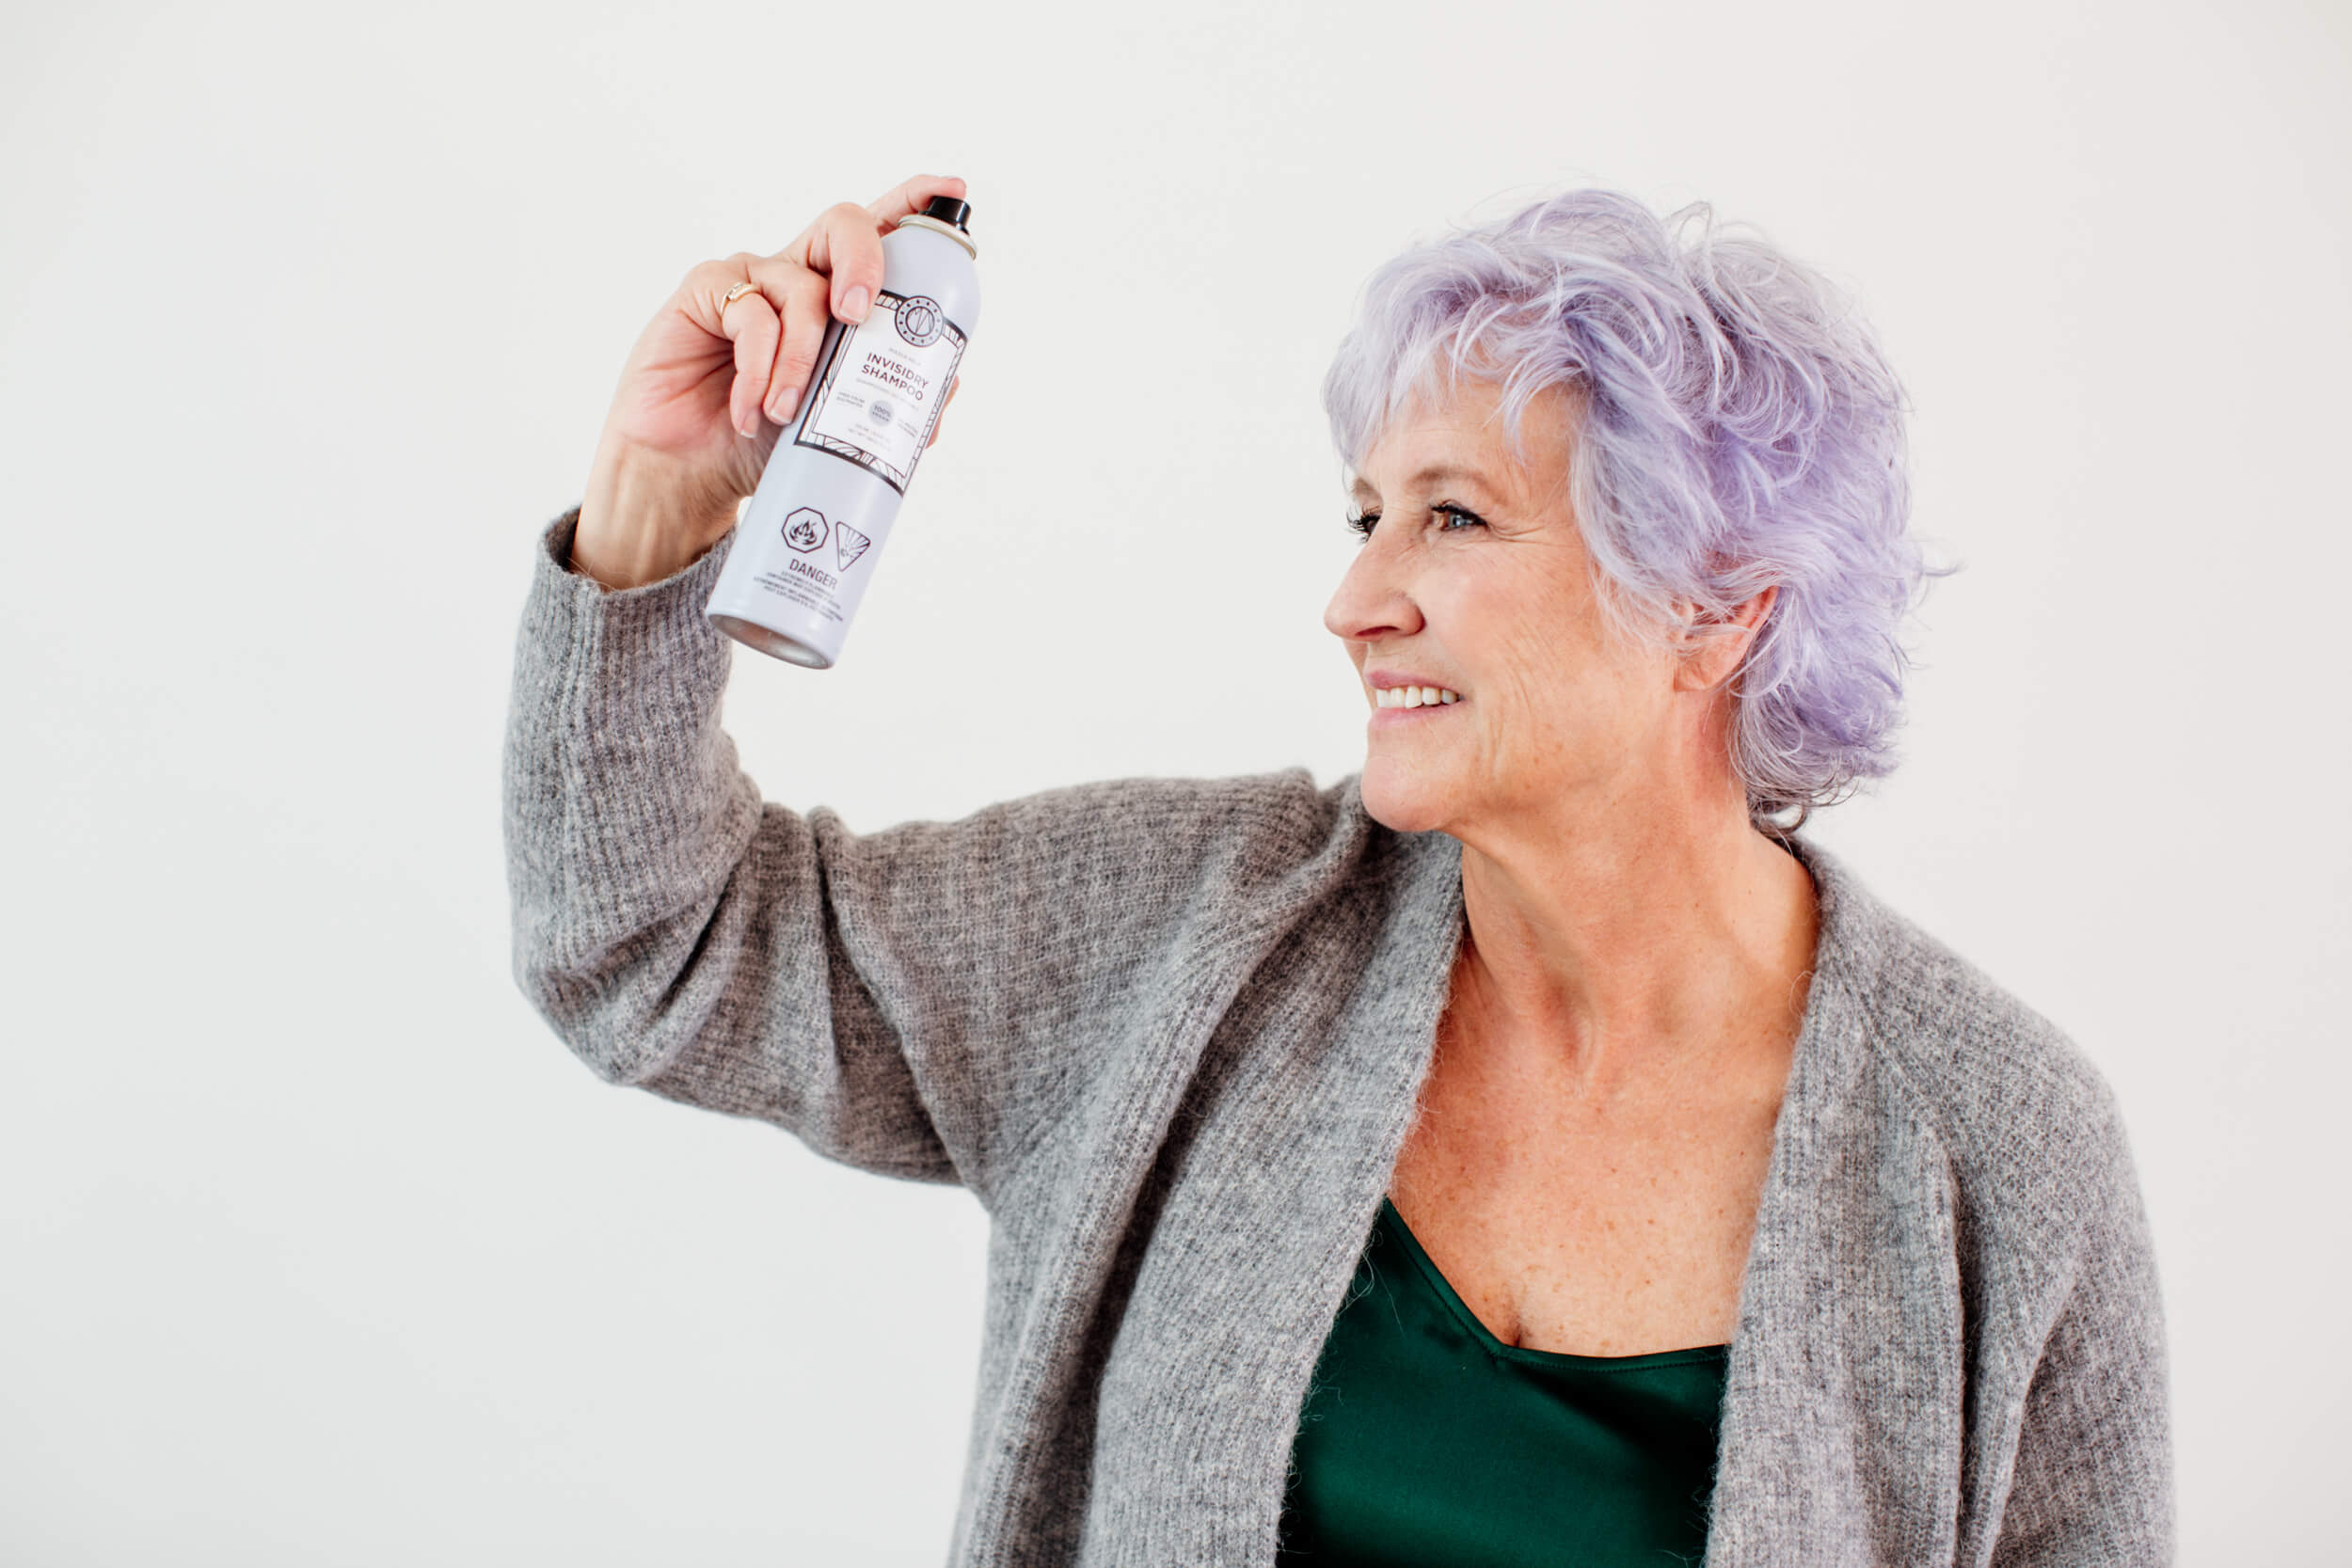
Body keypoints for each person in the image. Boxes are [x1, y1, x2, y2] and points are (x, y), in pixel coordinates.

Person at [502, 172, 2173, 1565]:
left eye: (1452, 518)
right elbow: (658, 949)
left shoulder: (1997, 1157)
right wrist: (662, 498)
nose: (1356, 597)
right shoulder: (1195, 940)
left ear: (1719, 606)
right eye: (1362, 513)